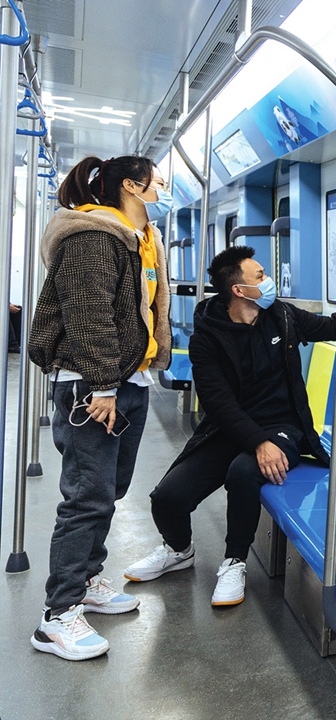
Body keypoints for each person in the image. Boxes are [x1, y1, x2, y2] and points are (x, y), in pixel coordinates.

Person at [124, 246, 336, 607]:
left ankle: (234, 561)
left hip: (283, 426)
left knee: (243, 473)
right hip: (230, 428)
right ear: (238, 290)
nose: (267, 281)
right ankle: (179, 550)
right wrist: (256, 441)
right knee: (167, 498)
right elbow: (217, 402)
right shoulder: (206, 336)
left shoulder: (281, 316)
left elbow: (329, 326)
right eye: (259, 276)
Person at [26, 155, 173, 661]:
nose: (163, 184)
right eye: (157, 177)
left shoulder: (139, 238)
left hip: (127, 377)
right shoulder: (93, 236)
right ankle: (56, 616)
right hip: (95, 383)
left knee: (110, 490)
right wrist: (103, 385)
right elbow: (88, 315)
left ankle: (86, 581)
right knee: (87, 496)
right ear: (131, 185)